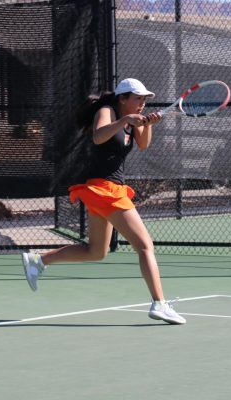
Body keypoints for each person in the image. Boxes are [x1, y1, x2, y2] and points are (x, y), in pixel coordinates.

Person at [21, 78, 186, 325]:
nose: (141, 104)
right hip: (104, 189)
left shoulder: (133, 121)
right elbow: (98, 137)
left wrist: (149, 124)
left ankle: (39, 260)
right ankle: (159, 303)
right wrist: (124, 121)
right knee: (145, 246)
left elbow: (142, 144)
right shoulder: (107, 111)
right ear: (122, 98)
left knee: (96, 251)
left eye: (144, 100)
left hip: (110, 190)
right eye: (137, 98)